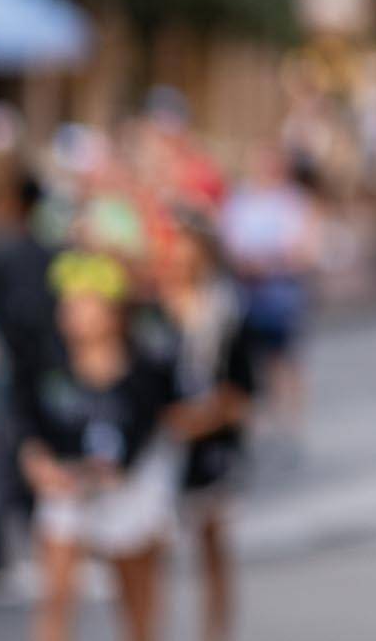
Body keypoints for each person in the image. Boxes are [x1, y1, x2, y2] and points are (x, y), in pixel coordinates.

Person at [22, 252, 183, 641]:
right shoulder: (50, 368)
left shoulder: (143, 372)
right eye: (70, 305)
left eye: (87, 305)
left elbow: (150, 435)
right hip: (68, 484)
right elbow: (30, 430)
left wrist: (105, 474)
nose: (75, 314)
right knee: (57, 591)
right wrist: (39, 464)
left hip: (128, 487)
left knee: (135, 594)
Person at [157, 215, 256, 641]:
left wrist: (202, 419)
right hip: (160, 442)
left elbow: (242, 392)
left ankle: (216, 631)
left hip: (210, 441)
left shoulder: (225, 311)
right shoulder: (153, 312)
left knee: (212, 541)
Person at [219, 150, 318, 449]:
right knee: (247, 359)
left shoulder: (291, 201)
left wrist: (273, 261)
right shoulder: (240, 201)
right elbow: (229, 242)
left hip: (280, 290)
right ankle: (255, 423)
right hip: (246, 289)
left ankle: (290, 424)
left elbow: (305, 247)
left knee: (284, 359)